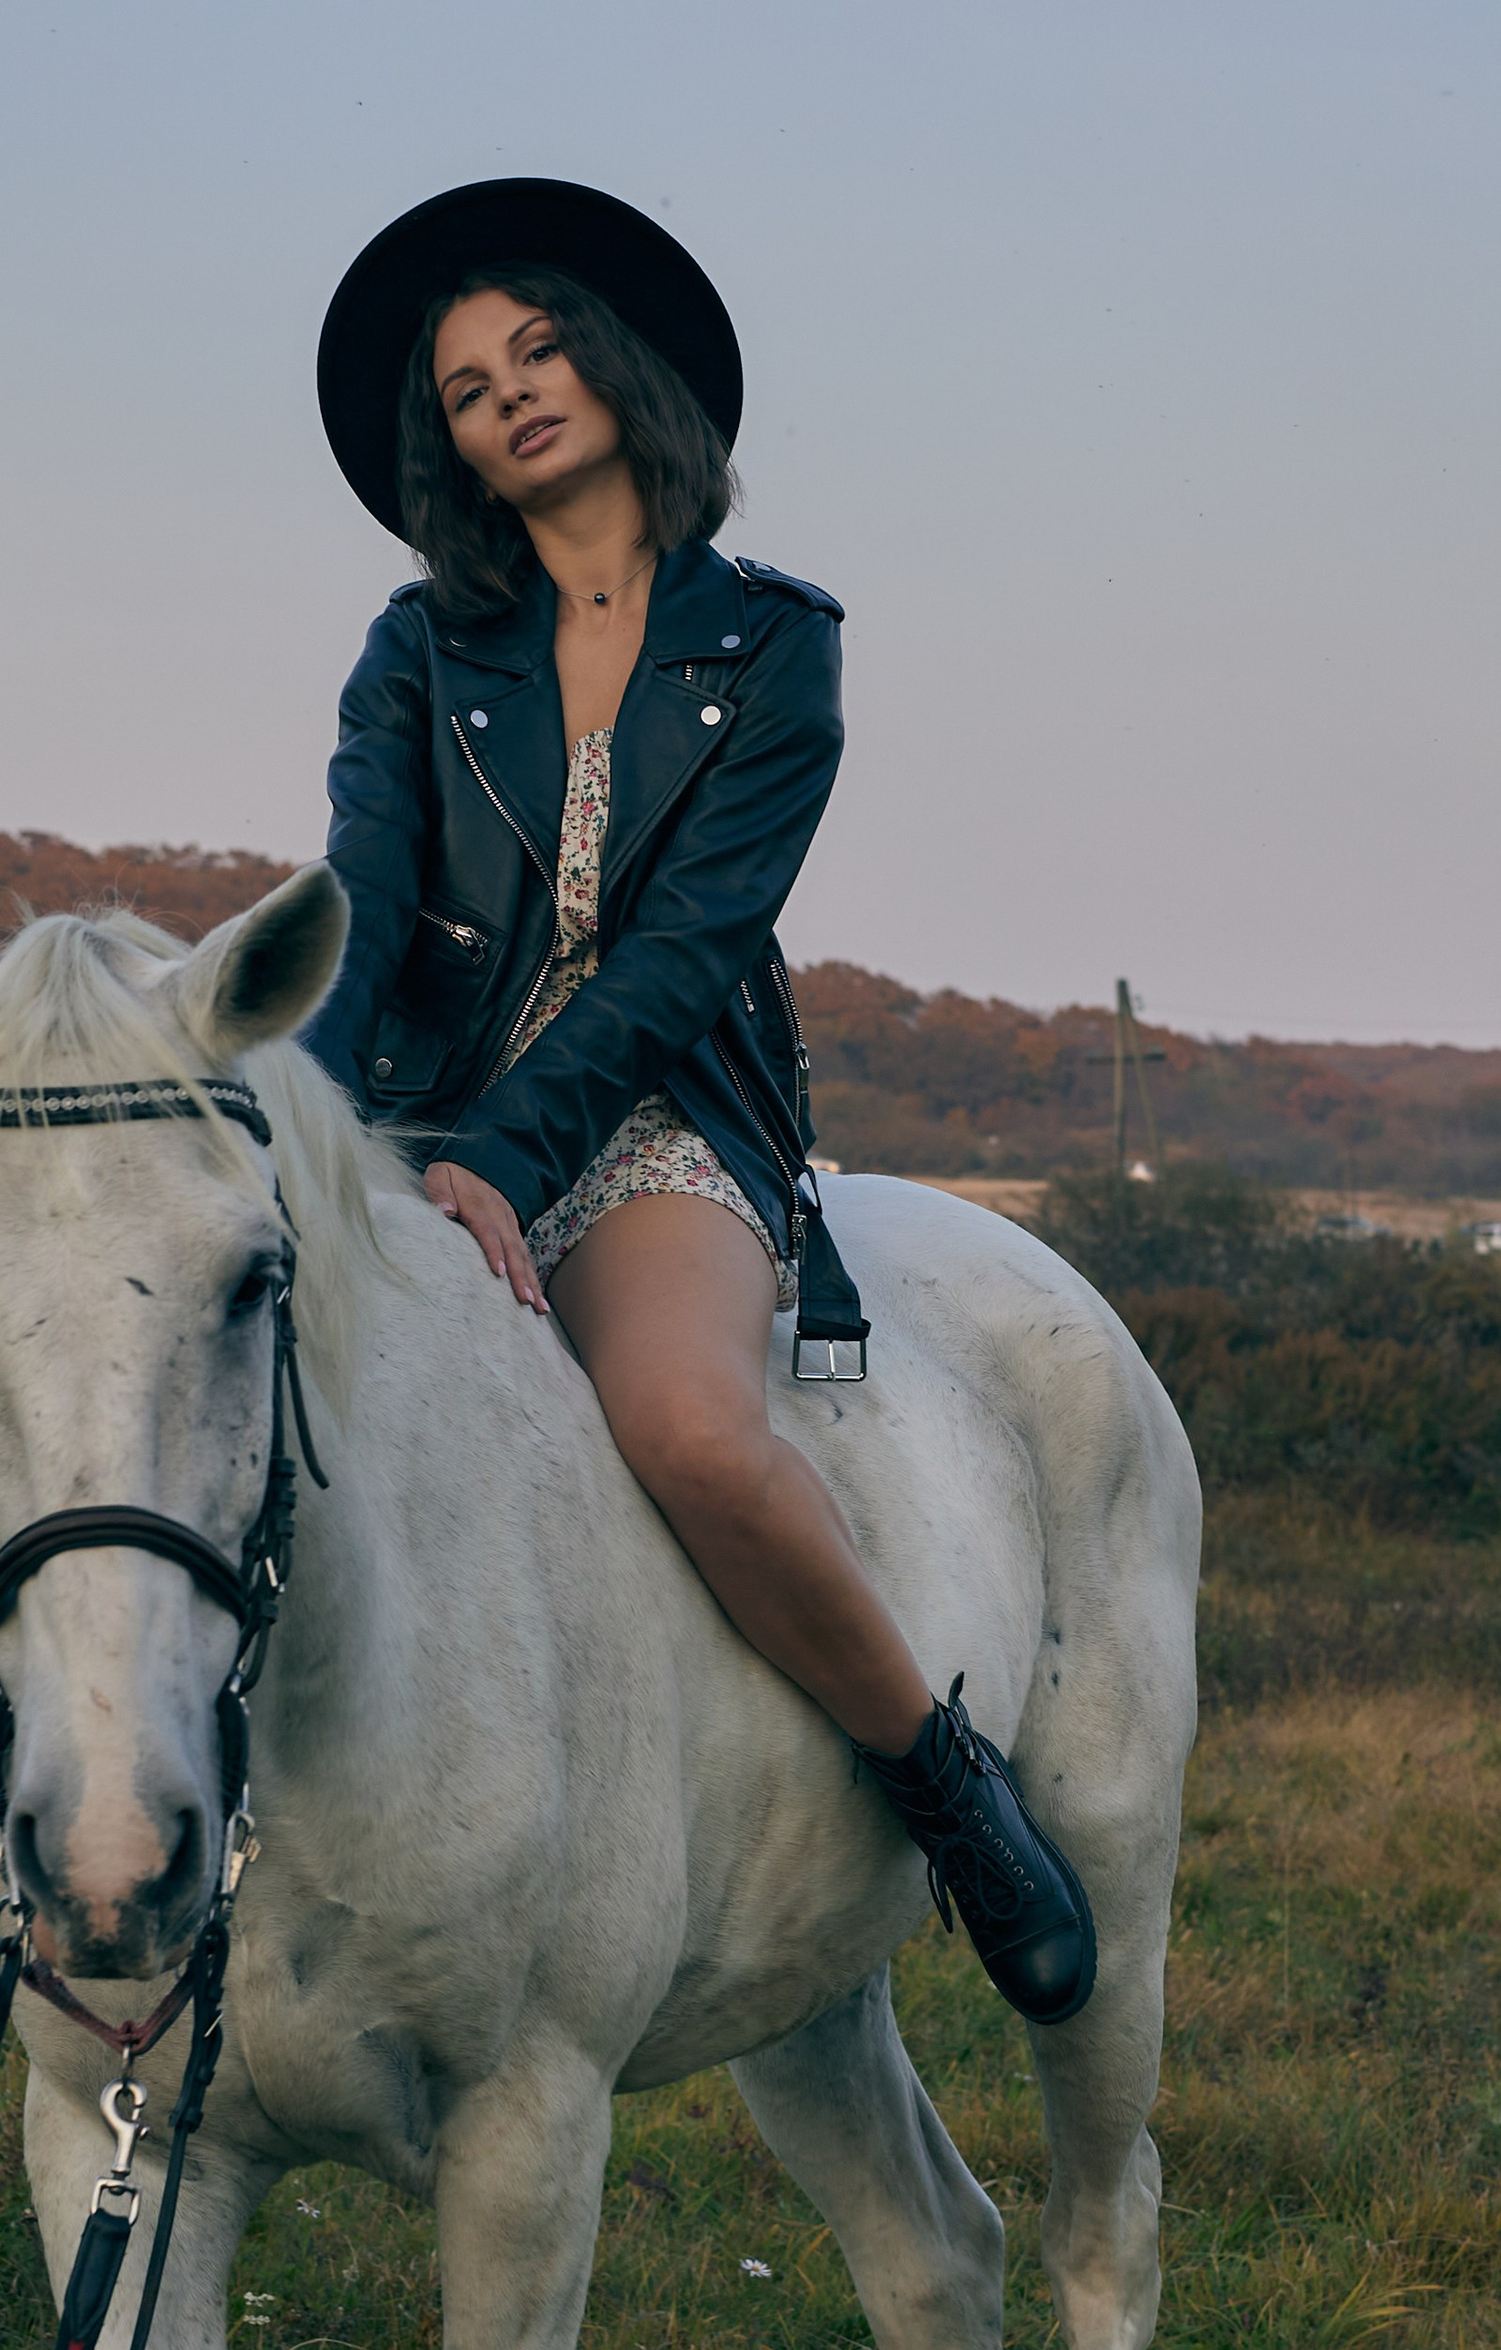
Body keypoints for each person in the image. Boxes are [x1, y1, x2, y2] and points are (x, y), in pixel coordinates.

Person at [306, 180, 1094, 2024]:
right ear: (458, 453)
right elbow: (355, 901)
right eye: (469, 385)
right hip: (424, 1122)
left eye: (538, 346)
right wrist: (313, 1128)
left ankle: (949, 1789)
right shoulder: (417, 649)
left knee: (691, 1431)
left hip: (654, 1113)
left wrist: (514, 1159)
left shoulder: (775, 648)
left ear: (615, 361)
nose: (510, 392)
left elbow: (683, 954)